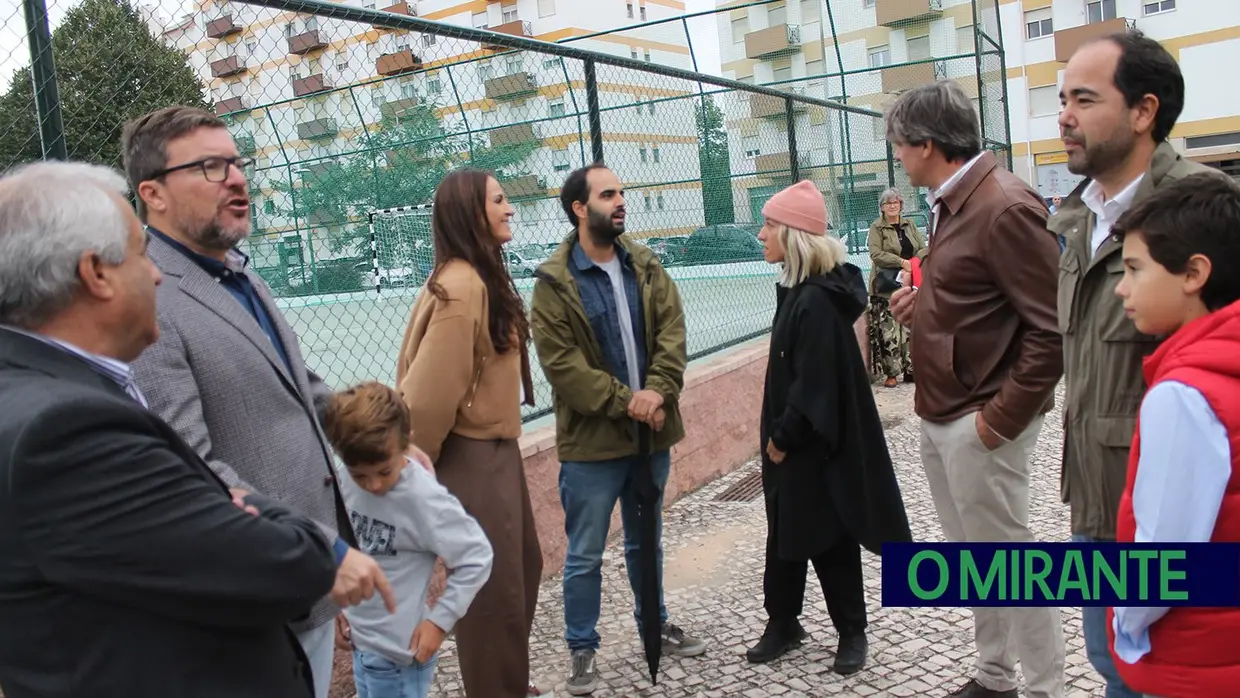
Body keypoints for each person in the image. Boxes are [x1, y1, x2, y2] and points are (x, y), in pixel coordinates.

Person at [0, 161, 339, 698]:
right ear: (96, 274)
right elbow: (287, 565)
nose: (155, 272)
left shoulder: (34, 388)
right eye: (139, 253)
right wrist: (233, 495)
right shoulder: (65, 432)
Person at [122, 105, 395, 698]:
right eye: (211, 167)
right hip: (250, 597)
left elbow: (301, 385)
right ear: (154, 193)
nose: (238, 179)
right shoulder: (151, 300)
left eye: (238, 163)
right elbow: (188, 468)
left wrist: (383, 438)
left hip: (304, 587)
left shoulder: (241, 274)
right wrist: (317, 550)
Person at [1050, 31, 1224, 698]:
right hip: (1097, 505)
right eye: (1062, 98)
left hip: (1179, 523)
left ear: (1144, 111)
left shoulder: (1203, 212)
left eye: (1084, 99)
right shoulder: (1077, 218)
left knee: (1166, 677)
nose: (1063, 115)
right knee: (1110, 662)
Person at [886, 81, 1065, 698]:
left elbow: (1052, 330)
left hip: (979, 418)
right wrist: (925, 304)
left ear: (928, 144)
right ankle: (994, 676)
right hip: (944, 410)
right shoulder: (952, 199)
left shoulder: (1005, 206)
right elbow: (979, 295)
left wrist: (996, 422)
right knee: (976, 563)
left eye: (899, 145)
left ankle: (1046, 688)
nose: (897, 157)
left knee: (1012, 565)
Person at [530, 164, 707, 696]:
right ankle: (582, 648)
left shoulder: (646, 264)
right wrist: (632, 401)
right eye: (609, 195)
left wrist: (658, 389)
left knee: (645, 542)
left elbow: (673, 331)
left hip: (650, 435)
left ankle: (654, 622)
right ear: (580, 209)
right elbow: (564, 369)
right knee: (584, 553)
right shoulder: (554, 283)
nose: (621, 201)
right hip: (593, 446)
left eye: (622, 192)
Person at [746, 180, 912, 673]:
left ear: (795, 236)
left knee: (828, 533)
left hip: (811, 445)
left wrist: (781, 438)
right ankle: (784, 622)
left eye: (769, 225)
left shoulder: (815, 303)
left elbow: (813, 386)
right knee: (785, 532)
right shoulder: (799, 292)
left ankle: (851, 630)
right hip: (794, 443)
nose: (760, 235)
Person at [395, 169, 543, 698]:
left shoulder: (479, 275)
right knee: (494, 593)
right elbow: (430, 394)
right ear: (469, 214)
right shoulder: (463, 287)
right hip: (471, 456)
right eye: (499, 200)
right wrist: (417, 475)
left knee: (521, 572)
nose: (510, 208)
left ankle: (505, 682)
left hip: (496, 451)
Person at [1106, 174, 1240, 698]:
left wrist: (1127, 623)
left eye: (1135, 269)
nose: (1122, 287)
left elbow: (1163, 559)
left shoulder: (1184, 395)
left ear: (1194, 274)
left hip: (1195, 661)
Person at [321, 381, 494, 698]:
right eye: (361, 474)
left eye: (384, 471)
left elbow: (477, 557)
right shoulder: (343, 479)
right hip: (362, 645)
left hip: (401, 656)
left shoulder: (424, 500)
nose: (373, 485)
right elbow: (342, 549)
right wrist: (337, 609)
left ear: (406, 444)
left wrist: (439, 623)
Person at [866, 187, 926, 388]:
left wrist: (914, 262)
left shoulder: (909, 225)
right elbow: (875, 253)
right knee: (888, 331)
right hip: (885, 285)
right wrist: (901, 262)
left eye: (896, 203)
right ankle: (891, 373)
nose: (892, 206)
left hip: (909, 283)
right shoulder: (877, 227)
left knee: (909, 329)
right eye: (888, 203)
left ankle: (912, 371)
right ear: (882, 207)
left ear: (901, 205)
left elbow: (923, 247)